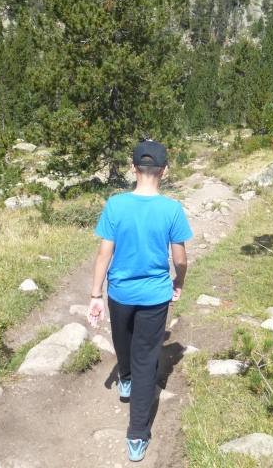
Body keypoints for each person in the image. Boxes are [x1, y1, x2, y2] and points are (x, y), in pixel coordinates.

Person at [87, 140, 192, 462]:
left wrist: (95, 295)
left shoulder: (116, 205)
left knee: (122, 340)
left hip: (119, 292)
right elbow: (182, 259)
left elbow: (105, 253)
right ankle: (137, 436)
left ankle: (126, 380)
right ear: (165, 171)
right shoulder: (172, 209)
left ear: (133, 168)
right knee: (148, 359)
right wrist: (179, 283)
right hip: (155, 294)